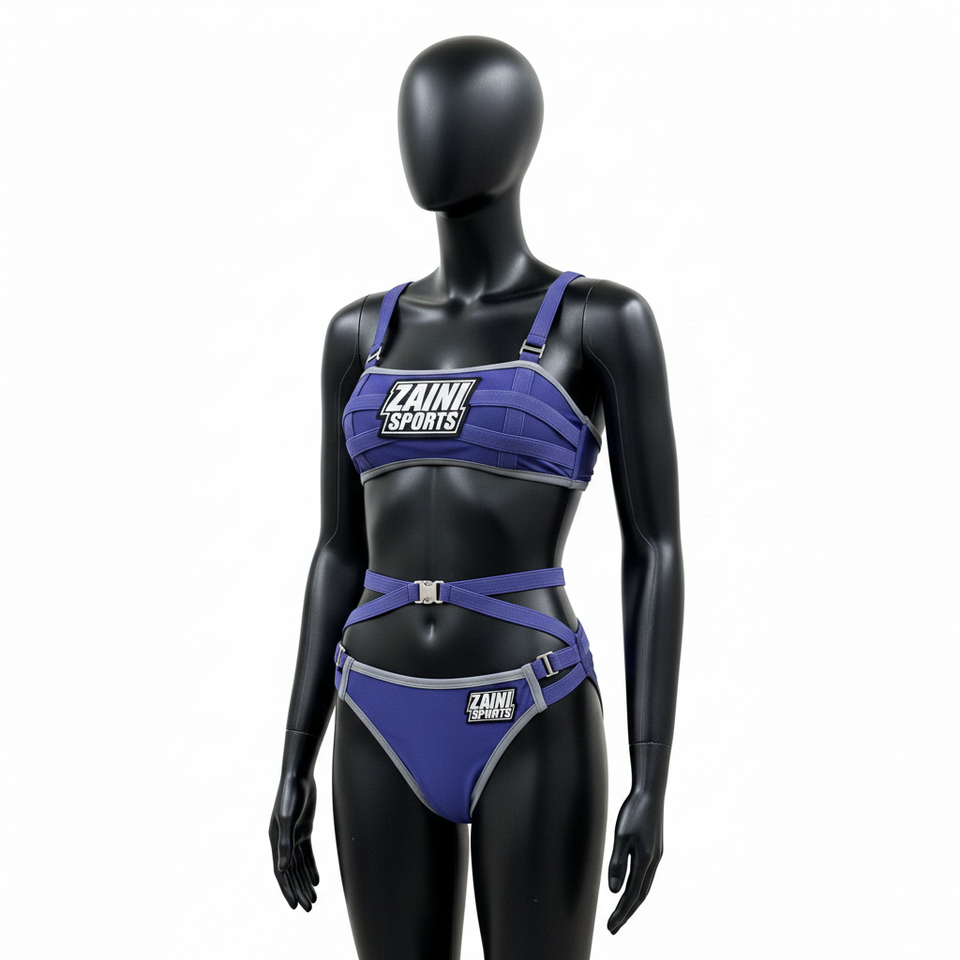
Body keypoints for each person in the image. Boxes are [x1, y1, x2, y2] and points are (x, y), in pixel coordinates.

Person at [269, 36, 684, 960]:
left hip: (530, 708)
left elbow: (654, 550)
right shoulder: (358, 334)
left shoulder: (600, 320)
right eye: (414, 113)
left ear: (517, 134)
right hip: (373, 709)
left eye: (454, 112)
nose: (429, 133)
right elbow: (339, 550)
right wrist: (295, 753)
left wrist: (653, 776)